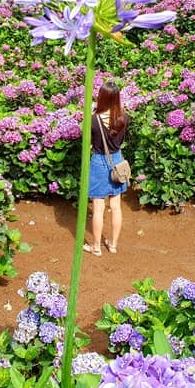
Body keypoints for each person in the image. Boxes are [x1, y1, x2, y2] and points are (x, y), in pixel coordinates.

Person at [84, 80, 129, 256]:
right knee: (116, 206)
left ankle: (96, 246)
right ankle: (113, 244)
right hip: (117, 161)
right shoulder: (124, 118)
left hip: (99, 163)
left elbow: (88, 141)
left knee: (98, 207)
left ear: (101, 98)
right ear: (117, 98)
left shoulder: (93, 120)